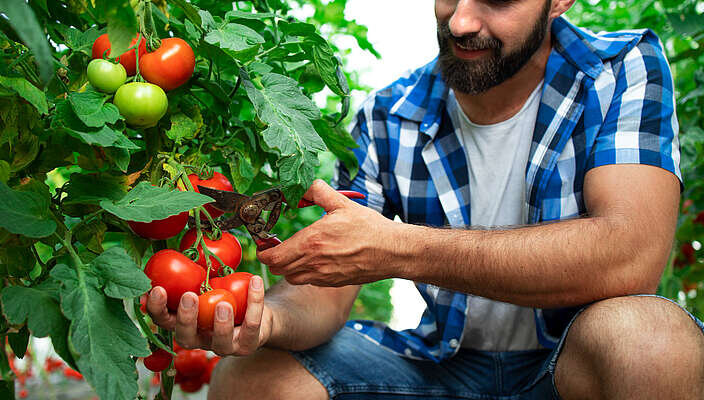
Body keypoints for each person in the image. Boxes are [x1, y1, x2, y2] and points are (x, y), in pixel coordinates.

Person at [146, 0, 704, 398]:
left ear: (560, 2)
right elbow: (326, 290)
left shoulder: (618, 71)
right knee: (254, 379)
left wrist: (399, 249)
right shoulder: (386, 115)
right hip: (439, 368)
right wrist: (270, 322)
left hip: (569, 367)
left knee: (651, 340)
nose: (460, 20)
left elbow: (631, 255)